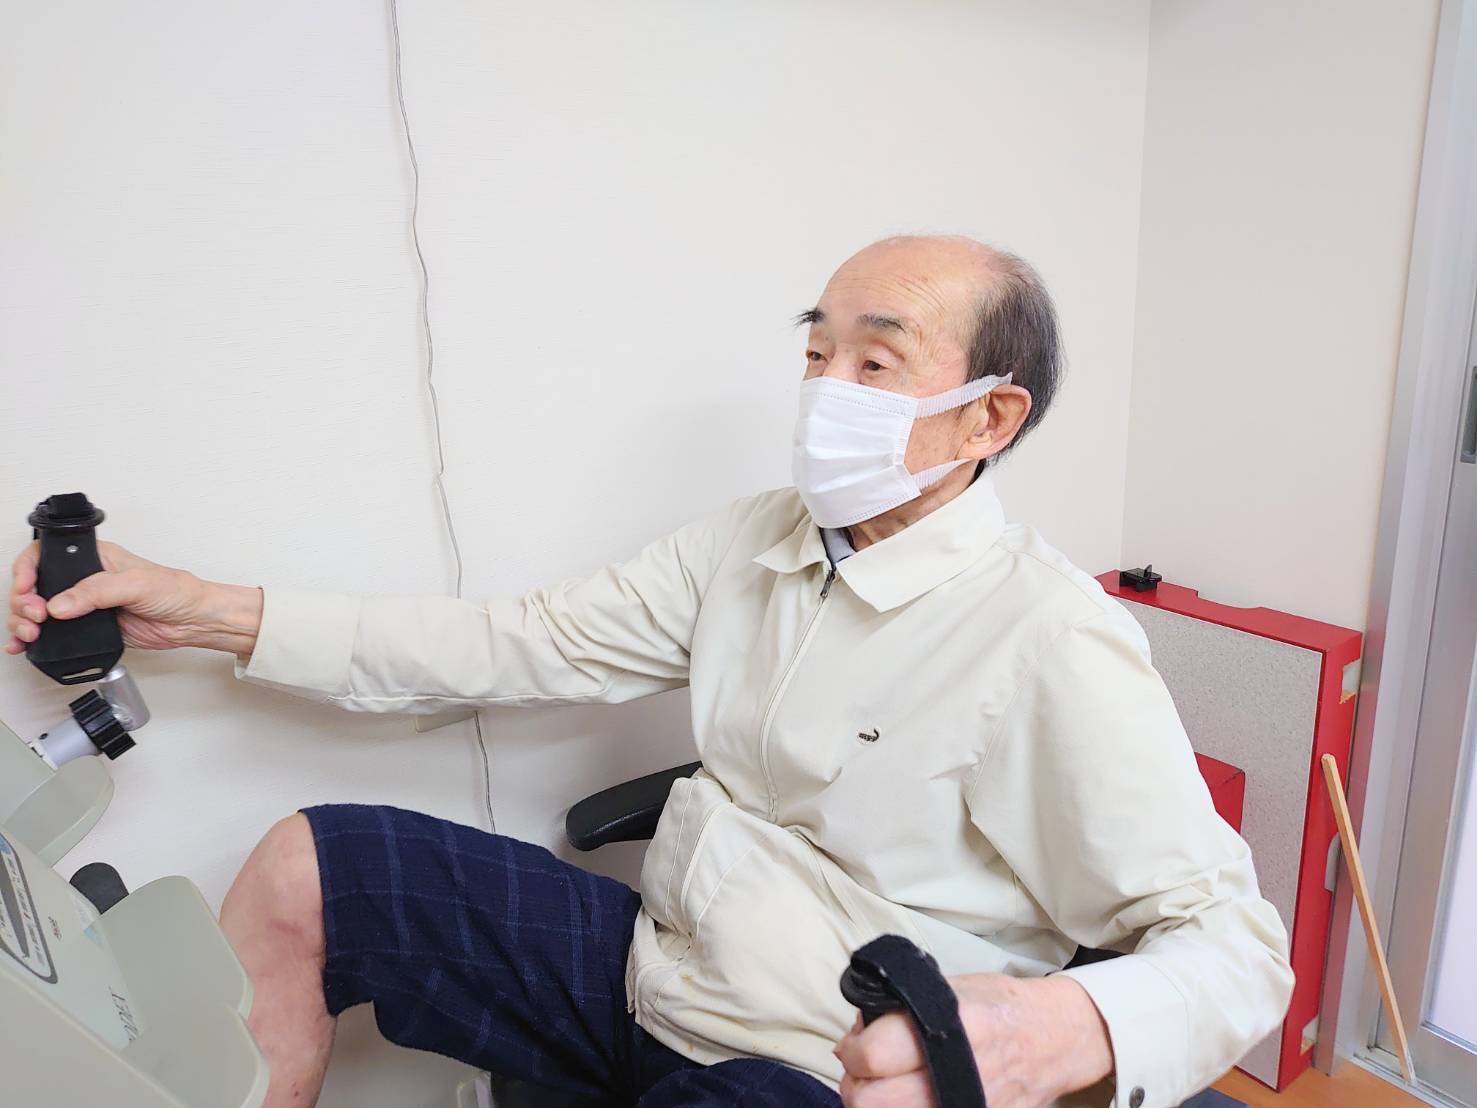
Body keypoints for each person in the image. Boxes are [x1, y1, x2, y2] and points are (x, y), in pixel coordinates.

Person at [6, 236, 1292, 1108]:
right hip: (656, 970)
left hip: (813, 1062)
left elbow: (1235, 950)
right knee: (309, 869)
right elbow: (513, 641)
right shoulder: (757, 540)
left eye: (876, 361)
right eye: (816, 353)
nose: (826, 389)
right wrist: (203, 609)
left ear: (989, 416)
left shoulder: (1048, 635)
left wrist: (1056, 1030)